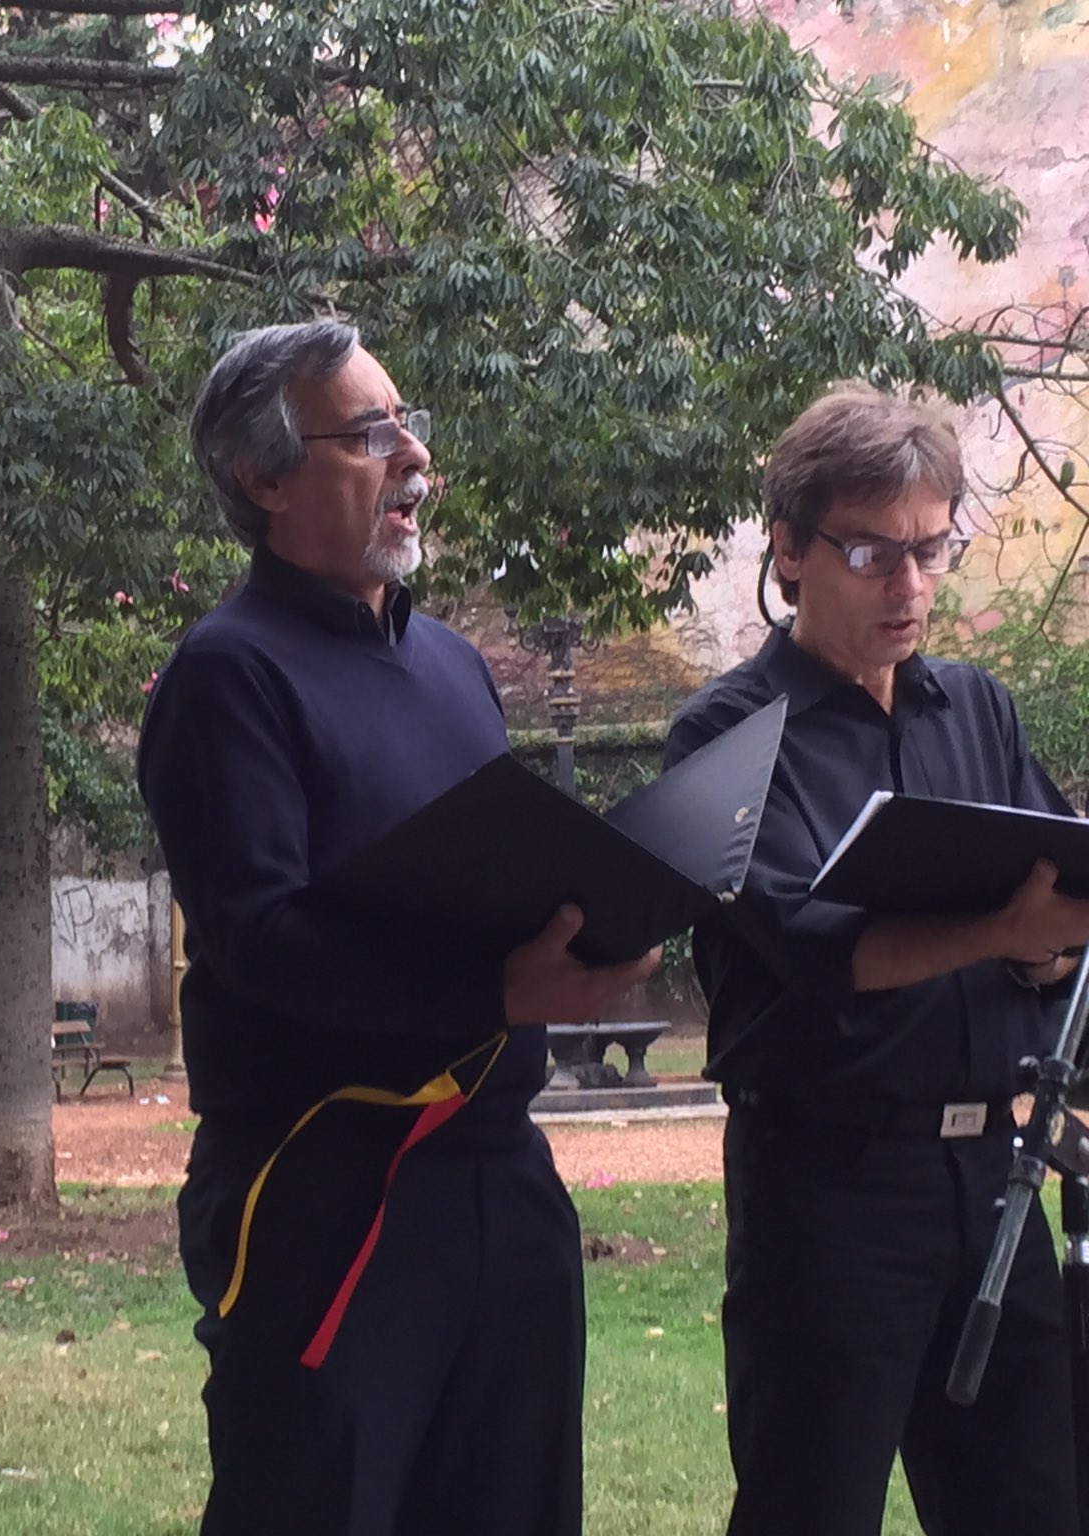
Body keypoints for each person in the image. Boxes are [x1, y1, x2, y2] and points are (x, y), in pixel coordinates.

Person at [138, 320, 657, 1535]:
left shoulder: (451, 665)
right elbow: (260, 940)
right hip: (324, 1183)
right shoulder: (227, 676)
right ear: (262, 478)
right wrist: (498, 993)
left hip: (498, 1175)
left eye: (405, 423)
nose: (413, 457)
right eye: (369, 435)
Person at [667, 382, 1089, 1535]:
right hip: (828, 1186)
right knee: (812, 1505)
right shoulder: (727, 734)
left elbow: (1058, 907)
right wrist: (1002, 935)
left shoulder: (976, 712)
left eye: (928, 551)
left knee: (1034, 1502)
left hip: (992, 1179)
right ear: (790, 552)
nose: (906, 588)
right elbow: (808, 947)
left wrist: (1045, 965)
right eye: (868, 554)